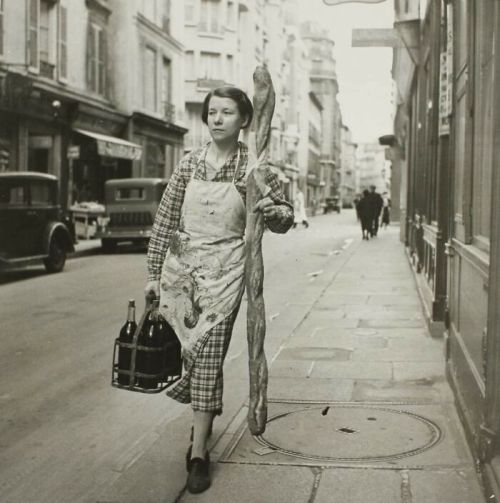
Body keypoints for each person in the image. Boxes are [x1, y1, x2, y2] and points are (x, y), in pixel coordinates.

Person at [144, 86, 294, 494]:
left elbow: (284, 219)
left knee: (208, 358)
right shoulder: (189, 162)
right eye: (212, 112)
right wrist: (154, 274)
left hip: (227, 278)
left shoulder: (256, 168)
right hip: (182, 278)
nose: (217, 118)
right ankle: (202, 424)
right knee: (191, 360)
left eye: (227, 112)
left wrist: (272, 210)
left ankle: (197, 455)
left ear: (244, 119)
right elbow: (165, 220)